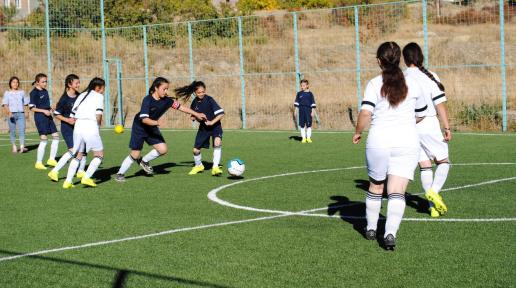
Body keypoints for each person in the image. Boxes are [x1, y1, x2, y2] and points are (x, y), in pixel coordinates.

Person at [352, 41, 428, 250]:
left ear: (379, 61)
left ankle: (370, 228)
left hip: (379, 140)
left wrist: (358, 132)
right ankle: (390, 233)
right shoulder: (414, 83)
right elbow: (421, 113)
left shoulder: (374, 83)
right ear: (399, 59)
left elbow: (366, 112)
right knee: (397, 191)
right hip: (407, 142)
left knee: (376, 185)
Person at [114, 77, 206, 182]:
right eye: (164, 89)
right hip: (139, 127)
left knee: (163, 149)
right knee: (135, 153)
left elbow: (181, 108)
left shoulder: (167, 101)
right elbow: (144, 119)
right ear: (156, 88)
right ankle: (120, 174)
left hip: (151, 126)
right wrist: (157, 123)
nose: (166, 91)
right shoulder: (147, 100)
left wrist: (197, 113)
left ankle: (144, 161)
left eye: (167, 89)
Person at [403, 42, 451, 217]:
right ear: (420, 56)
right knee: (444, 161)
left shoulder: (402, 77)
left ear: (405, 59)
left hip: (410, 126)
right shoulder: (430, 76)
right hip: (428, 123)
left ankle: (431, 208)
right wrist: (447, 127)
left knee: (424, 165)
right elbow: (440, 104)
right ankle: (434, 191)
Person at [62, 77, 105, 189]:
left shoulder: (81, 95)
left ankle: (67, 182)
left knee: (78, 155)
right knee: (99, 155)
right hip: (90, 125)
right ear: (97, 87)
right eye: (103, 88)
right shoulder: (99, 96)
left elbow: (72, 114)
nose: (103, 90)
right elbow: (98, 114)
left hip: (78, 126)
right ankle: (86, 177)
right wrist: (98, 126)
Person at [175, 81, 225, 176]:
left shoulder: (209, 100)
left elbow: (221, 113)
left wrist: (211, 122)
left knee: (217, 143)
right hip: (203, 129)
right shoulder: (194, 103)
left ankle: (215, 167)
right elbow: (193, 116)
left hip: (215, 127)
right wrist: (196, 117)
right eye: (199, 92)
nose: (201, 94)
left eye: (203, 92)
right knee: (195, 150)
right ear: (195, 93)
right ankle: (198, 165)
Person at [48, 74, 88, 182]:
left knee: (83, 150)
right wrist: (68, 120)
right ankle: (54, 171)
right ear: (70, 84)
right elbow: (56, 114)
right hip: (67, 128)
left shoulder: (80, 96)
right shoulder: (64, 99)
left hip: (78, 128)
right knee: (73, 150)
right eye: (76, 83)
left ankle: (80, 171)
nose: (78, 85)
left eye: (79, 82)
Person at [29, 73, 60, 170]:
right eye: (43, 82)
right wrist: (43, 111)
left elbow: (47, 105)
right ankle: (38, 162)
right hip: (40, 118)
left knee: (56, 136)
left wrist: (51, 109)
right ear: (37, 82)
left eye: (46, 81)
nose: (45, 83)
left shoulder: (45, 91)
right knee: (44, 139)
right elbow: (32, 108)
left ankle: (51, 159)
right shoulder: (33, 93)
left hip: (48, 117)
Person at [2, 76, 29, 154]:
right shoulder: (7, 93)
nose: (15, 84)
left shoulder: (22, 92)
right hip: (11, 114)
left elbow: (26, 103)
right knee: (12, 131)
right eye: (13, 82)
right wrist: (9, 113)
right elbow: (5, 104)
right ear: (10, 83)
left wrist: (27, 112)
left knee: (22, 130)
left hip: (21, 114)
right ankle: (14, 146)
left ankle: (21, 146)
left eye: (17, 82)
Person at [294, 79, 316, 143]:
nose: (302, 87)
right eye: (301, 85)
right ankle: (303, 138)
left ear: (307, 85)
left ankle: (308, 138)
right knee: (302, 125)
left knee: (309, 125)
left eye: (303, 85)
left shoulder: (310, 94)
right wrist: (295, 110)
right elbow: (297, 103)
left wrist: (312, 111)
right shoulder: (299, 93)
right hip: (301, 111)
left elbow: (313, 103)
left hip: (308, 111)